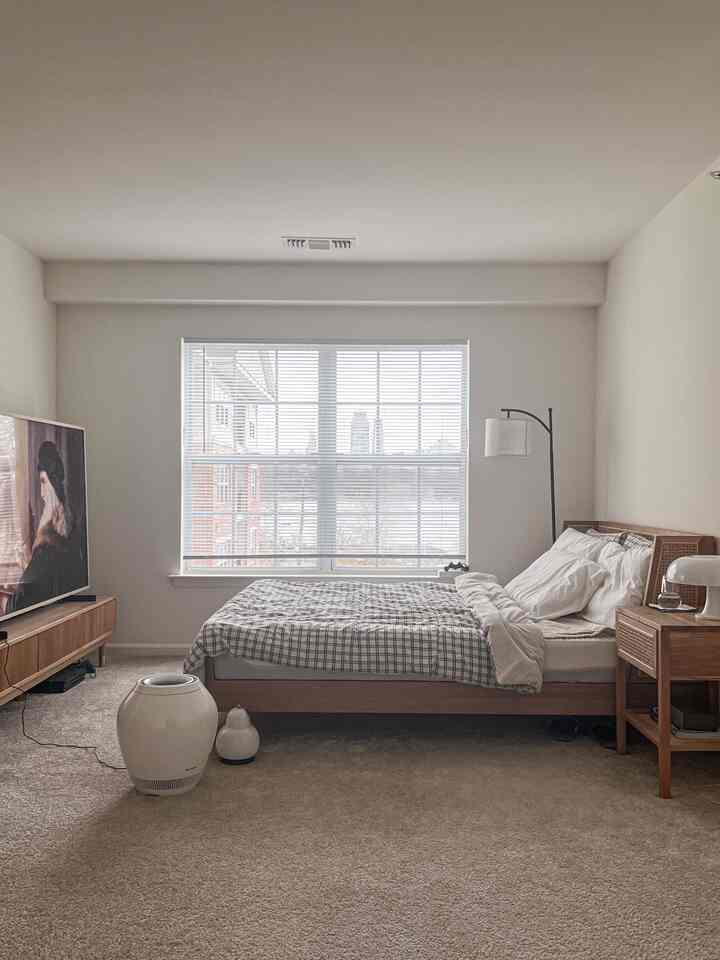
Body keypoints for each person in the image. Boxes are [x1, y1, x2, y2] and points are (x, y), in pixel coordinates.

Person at [6, 441, 86, 613]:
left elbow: (15, 606)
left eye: (43, 482)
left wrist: (6, 599)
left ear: (52, 484)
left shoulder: (46, 549)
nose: (42, 493)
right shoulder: (70, 535)